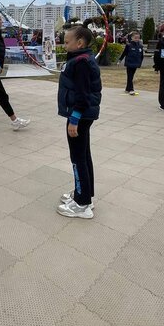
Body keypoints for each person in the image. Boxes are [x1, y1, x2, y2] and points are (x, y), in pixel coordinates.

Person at [56, 26, 101, 219]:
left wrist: (74, 119)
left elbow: (82, 95)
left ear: (80, 43)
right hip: (82, 115)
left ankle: (82, 204)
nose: (64, 45)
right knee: (84, 155)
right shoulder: (79, 59)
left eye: (67, 42)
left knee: (78, 159)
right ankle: (85, 195)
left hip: (79, 116)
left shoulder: (81, 62)